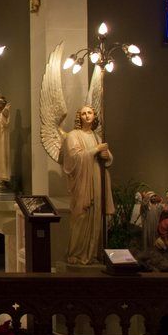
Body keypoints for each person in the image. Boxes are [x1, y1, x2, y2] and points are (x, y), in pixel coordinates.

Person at [62, 105, 115, 265]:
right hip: (82, 183)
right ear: (79, 117)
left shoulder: (97, 137)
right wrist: (95, 150)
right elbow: (72, 158)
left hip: (97, 179)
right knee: (81, 216)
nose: (87, 116)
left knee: (96, 215)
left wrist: (107, 155)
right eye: (83, 113)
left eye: (89, 112)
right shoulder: (73, 135)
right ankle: (76, 254)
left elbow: (107, 158)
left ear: (94, 116)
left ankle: (93, 254)